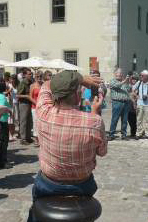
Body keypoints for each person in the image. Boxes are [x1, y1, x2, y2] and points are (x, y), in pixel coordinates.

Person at [28, 71, 106, 220]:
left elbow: (46, 84)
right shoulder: (94, 122)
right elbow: (102, 152)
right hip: (82, 185)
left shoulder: (43, 113)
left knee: (35, 212)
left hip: (49, 183)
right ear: (77, 96)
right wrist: (95, 113)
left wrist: (81, 79)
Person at [108, 68, 131, 140]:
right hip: (117, 102)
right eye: (118, 73)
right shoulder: (112, 81)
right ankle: (111, 134)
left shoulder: (124, 82)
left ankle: (124, 134)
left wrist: (128, 82)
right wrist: (124, 81)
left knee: (124, 120)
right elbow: (117, 86)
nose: (120, 74)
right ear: (115, 74)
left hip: (126, 103)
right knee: (115, 119)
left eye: (121, 73)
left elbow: (129, 89)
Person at [17, 68, 34, 145]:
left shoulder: (31, 82)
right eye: (29, 74)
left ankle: (28, 137)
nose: (31, 75)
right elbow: (18, 95)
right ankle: (23, 139)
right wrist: (27, 96)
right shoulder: (22, 83)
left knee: (29, 121)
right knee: (23, 121)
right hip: (23, 104)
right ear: (24, 75)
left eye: (31, 74)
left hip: (29, 103)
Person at [29, 71, 43, 145]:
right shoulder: (32, 86)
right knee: (35, 122)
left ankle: (42, 139)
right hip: (35, 107)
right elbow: (30, 97)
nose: (39, 78)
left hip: (43, 107)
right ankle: (36, 139)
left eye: (40, 76)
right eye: (37, 76)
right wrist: (37, 103)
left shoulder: (43, 85)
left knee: (42, 123)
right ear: (35, 77)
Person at [128, 74, 138, 138]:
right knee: (129, 119)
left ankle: (134, 133)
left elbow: (138, 96)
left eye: (135, 79)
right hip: (129, 104)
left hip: (135, 104)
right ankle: (133, 132)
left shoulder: (138, 86)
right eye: (132, 79)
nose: (133, 80)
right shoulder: (129, 86)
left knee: (134, 119)